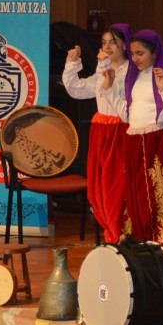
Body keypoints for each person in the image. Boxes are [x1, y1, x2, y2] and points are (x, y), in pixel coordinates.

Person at [102, 28, 163, 253]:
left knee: (160, 195)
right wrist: (109, 90)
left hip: (159, 139)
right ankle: (140, 244)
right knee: (137, 197)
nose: (135, 58)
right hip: (135, 141)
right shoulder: (134, 77)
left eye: (140, 53)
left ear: (154, 52)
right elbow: (128, 115)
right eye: (133, 53)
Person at [62, 23, 130, 243]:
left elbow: (119, 97)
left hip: (121, 133)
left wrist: (103, 66)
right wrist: (72, 63)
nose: (107, 46)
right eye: (104, 42)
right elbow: (76, 90)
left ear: (124, 44)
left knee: (116, 189)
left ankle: (119, 233)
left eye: (113, 42)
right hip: (101, 133)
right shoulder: (101, 70)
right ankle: (110, 230)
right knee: (97, 188)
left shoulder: (131, 72)